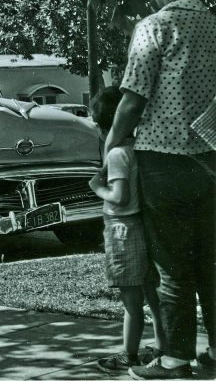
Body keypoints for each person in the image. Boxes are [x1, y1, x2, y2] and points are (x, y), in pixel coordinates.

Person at [104, 0, 216, 379]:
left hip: (163, 162)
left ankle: (174, 358)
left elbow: (132, 99)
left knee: (172, 264)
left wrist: (111, 143)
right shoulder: (214, 25)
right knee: (211, 262)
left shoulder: (154, 26)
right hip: (211, 159)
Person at [88, 86, 165, 374]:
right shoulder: (141, 149)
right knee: (152, 293)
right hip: (143, 226)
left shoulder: (118, 154)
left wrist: (97, 187)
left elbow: (119, 197)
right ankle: (162, 347)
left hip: (123, 230)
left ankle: (128, 355)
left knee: (131, 301)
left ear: (102, 127)